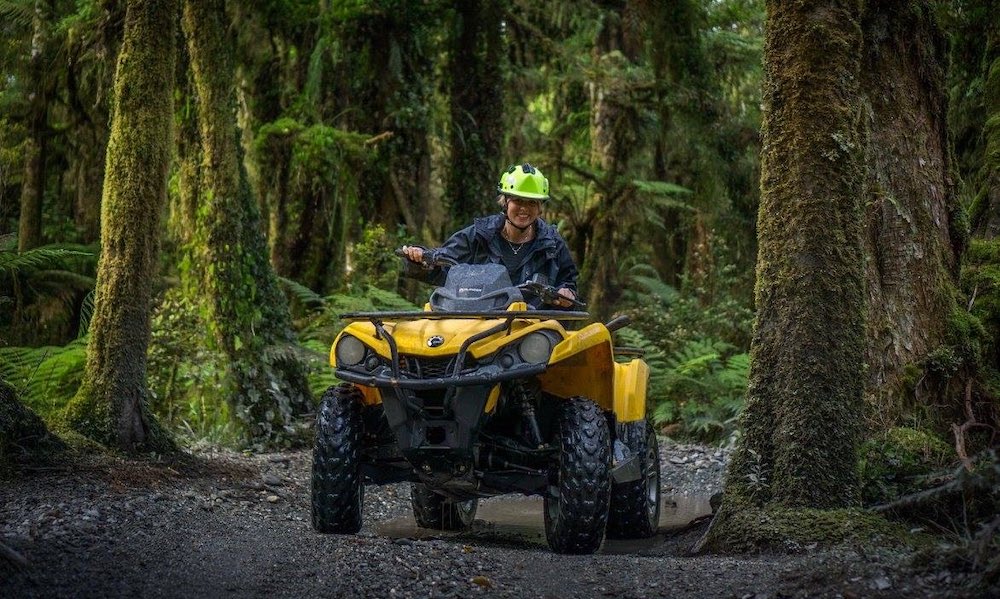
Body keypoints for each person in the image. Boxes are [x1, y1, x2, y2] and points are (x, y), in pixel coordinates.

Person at [400, 163, 579, 309]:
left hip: (530, 332)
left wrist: (566, 293)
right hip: (477, 323)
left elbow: (569, 282)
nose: (524, 208)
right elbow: (444, 261)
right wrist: (420, 260)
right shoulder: (479, 234)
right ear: (505, 202)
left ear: (540, 207)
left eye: (532, 202)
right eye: (518, 200)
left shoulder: (552, 243)